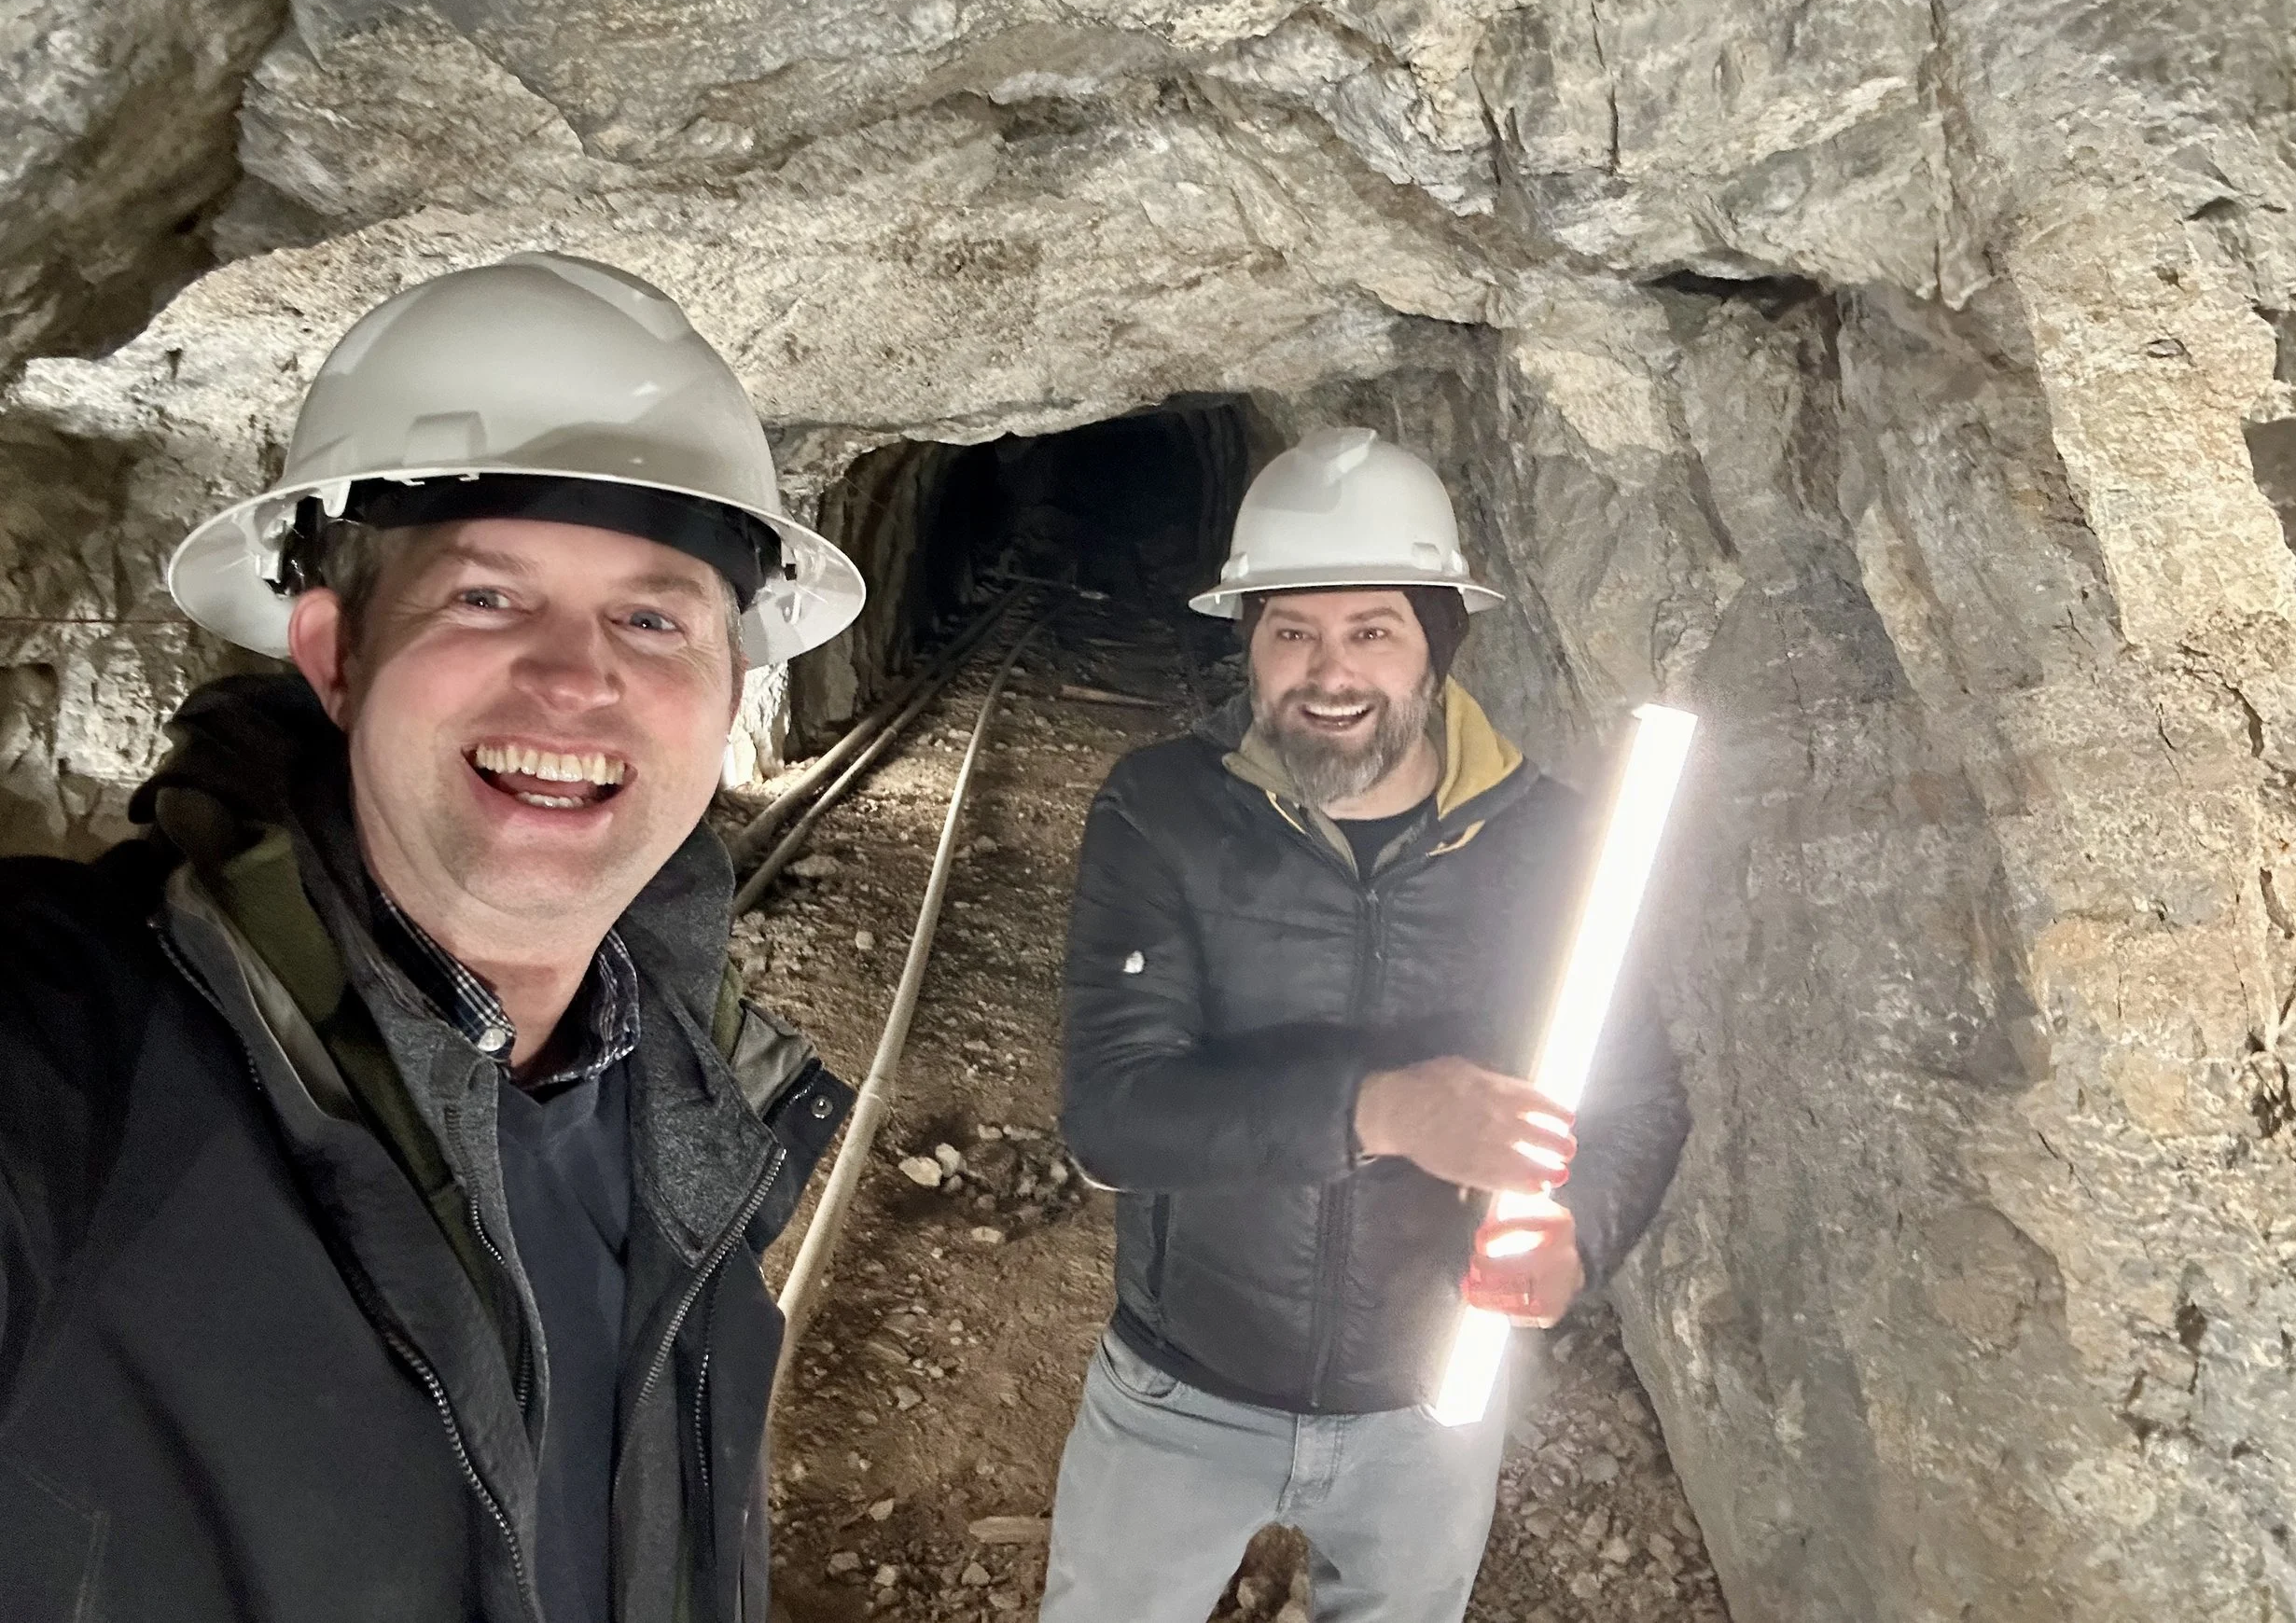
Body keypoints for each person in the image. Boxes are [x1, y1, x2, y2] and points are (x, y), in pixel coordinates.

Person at [0, 253, 870, 1623]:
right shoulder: (81, 1054)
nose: (578, 675)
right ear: (333, 655)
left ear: (725, 691)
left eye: (652, 614)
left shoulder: (685, 1097)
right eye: (485, 595)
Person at [1040, 426, 1692, 1623]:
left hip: (1427, 1411)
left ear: (1435, 646)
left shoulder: (1550, 845)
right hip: (1181, 1395)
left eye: (1371, 631)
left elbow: (1640, 1103)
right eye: (1292, 631)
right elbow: (1114, 1117)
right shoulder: (1163, 812)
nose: (1327, 672)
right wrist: (1385, 1109)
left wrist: (1574, 1240)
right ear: (1251, 644)